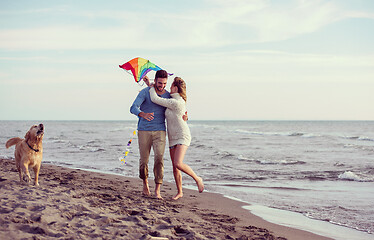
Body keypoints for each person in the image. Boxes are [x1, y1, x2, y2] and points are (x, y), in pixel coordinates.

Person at [149, 77, 204, 200]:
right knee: (175, 167)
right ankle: (180, 192)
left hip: (182, 135)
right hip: (173, 137)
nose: (169, 87)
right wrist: (150, 84)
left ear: (176, 88)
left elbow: (155, 98)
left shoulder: (176, 102)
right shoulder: (173, 100)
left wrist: (152, 86)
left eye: (172, 85)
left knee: (178, 163)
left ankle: (197, 178)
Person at [130, 70, 170, 199]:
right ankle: (145, 183)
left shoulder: (168, 96)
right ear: (156, 80)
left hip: (160, 131)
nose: (162, 86)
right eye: (159, 83)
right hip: (144, 130)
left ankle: (158, 189)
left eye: (164, 83)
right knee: (144, 160)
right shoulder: (145, 92)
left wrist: (184, 116)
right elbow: (133, 107)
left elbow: (175, 108)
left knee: (159, 158)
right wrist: (142, 114)